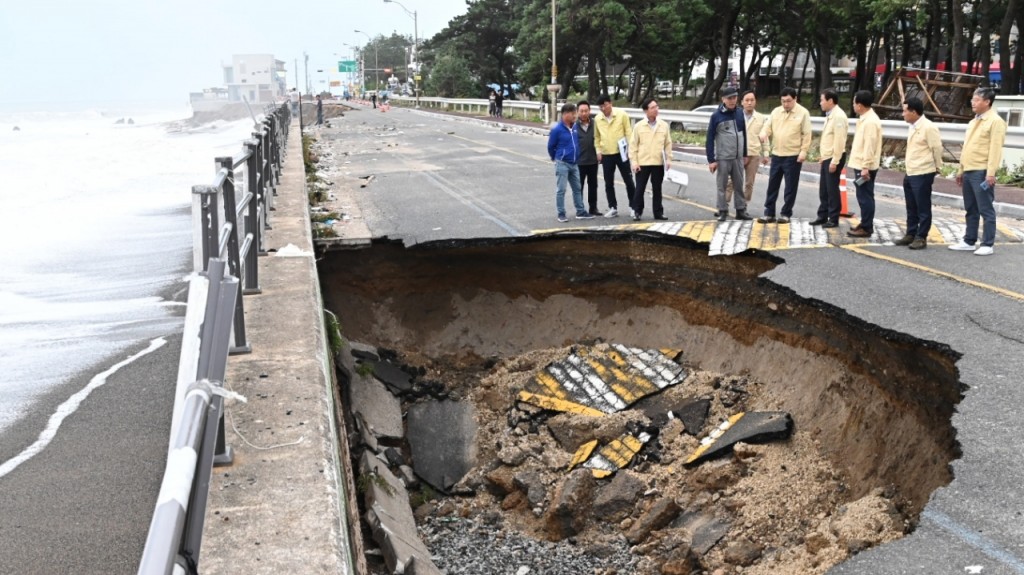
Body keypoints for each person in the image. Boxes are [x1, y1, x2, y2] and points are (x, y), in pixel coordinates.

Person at [949, 87, 1006, 256]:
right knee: (971, 208)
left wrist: (990, 173)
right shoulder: (974, 121)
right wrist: (960, 170)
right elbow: (966, 147)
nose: (972, 103)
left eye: (976, 100)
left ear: (987, 101)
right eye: (972, 100)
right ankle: (969, 240)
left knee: (985, 208)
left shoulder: (995, 121)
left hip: (981, 171)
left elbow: (995, 149)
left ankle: (988, 243)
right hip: (969, 169)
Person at [758, 87, 812, 224]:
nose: (785, 104)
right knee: (772, 185)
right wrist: (764, 133)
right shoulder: (776, 111)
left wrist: (803, 152)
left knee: (790, 187)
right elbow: (767, 126)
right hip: (777, 154)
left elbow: (807, 134)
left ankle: (786, 213)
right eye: (783, 101)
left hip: (793, 156)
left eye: (788, 101)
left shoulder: (803, 113)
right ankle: (769, 213)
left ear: (795, 99)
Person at [896, 96, 944, 250]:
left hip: (923, 171)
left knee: (922, 206)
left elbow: (936, 149)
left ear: (914, 112)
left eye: (905, 111)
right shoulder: (912, 126)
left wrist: (937, 167)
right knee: (911, 206)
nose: (903, 114)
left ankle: (921, 236)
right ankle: (911, 233)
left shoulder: (928, 127)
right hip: (911, 171)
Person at [706, 86, 751, 221]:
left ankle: (740, 210)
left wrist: (745, 154)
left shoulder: (739, 113)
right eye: (729, 98)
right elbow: (709, 138)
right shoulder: (716, 116)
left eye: (734, 97)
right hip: (723, 157)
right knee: (722, 185)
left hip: (737, 157)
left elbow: (744, 134)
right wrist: (711, 160)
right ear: (723, 99)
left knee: (739, 184)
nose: (732, 100)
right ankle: (722, 210)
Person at [547, 103, 593, 222]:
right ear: (565, 114)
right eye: (573, 113)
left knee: (577, 188)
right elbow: (551, 146)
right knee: (561, 189)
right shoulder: (557, 129)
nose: (575, 116)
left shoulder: (575, 127)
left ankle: (580, 211)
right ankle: (561, 213)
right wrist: (555, 157)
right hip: (562, 163)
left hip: (574, 163)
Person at [810, 89, 849, 228]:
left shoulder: (838, 116)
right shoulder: (831, 115)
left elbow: (839, 141)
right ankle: (822, 215)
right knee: (824, 189)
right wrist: (824, 156)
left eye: (822, 100)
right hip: (828, 157)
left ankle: (833, 218)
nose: (820, 103)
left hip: (834, 158)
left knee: (832, 190)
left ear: (830, 101)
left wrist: (834, 161)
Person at [846, 90, 883, 238]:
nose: (853, 106)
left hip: (865, 166)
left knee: (865, 197)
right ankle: (865, 223)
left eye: (854, 103)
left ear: (860, 105)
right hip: (861, 164)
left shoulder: (870, 122)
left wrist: (865, 167)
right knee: (863, 196)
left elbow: (870, 146)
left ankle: (867, 227)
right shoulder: (864, 119)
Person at [629, 98, 672, 221]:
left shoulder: (663, 125)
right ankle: (637, 211)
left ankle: (658, 212)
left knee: (657, 189)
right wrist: (634, 162)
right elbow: (633, 146)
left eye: (657, 107)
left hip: (658, 162)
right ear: (646, 111)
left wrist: (669, 159)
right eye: (652, 107)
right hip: (642, 163)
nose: (656, 109)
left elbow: (668, 144)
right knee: (640, 188)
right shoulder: (638, 126)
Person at [594, 94, 637, 218]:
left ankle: (633, 206)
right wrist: (598, 151)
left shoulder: (622, 114)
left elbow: (628, 132)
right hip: (606, 154)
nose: (603, 109)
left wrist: (631, 150)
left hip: (621, 152)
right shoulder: (597, 119)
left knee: (628, 180)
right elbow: (596, 137)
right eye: (600, 107)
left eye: (605, 105)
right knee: (608, 182)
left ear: (610, 103)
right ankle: (613, 207)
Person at [726, 90, 766, 206]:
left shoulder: (760, 118)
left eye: (752, 100)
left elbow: (765, 136)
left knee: (749, 183)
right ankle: (725, 203)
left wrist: (766, 154)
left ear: (755, 102)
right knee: (731, 180)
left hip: (753, 154)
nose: (749, 103)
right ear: (742, 102)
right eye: (747, 100)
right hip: (737, 154)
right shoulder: (735, 116)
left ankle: (743, 204)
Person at [575, 100, 602, 216]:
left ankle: (593, 208)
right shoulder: (573, 126)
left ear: (589, 111)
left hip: (593, 161)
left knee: (593, 185)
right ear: (577, 112)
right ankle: (580, 209)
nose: (584, 113)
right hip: (579, 162)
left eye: (586, 111)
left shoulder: (596, 123)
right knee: (579, 187)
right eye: (581, 111)